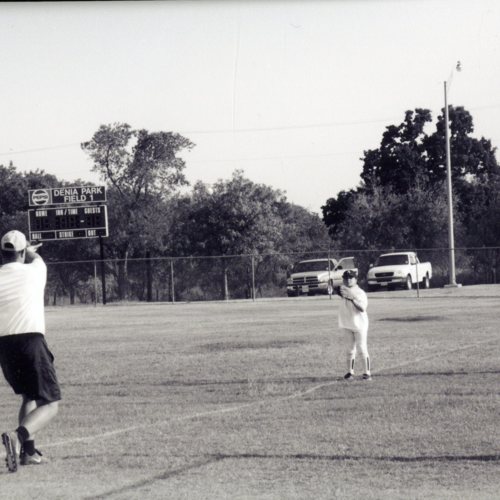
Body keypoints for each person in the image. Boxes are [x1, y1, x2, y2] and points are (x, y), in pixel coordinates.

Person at [0, 230, 61, 472]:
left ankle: (29, 453)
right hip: (31, 340)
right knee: (50, 403)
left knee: (28, 396)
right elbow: (36, 259)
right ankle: (17, 438)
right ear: (22, 252)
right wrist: (33, 250)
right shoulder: (35, 271)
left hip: (4, 345)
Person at [336, 269, 371, 381]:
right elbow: (337, 289)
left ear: (356, 279)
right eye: (346, 278)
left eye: (351, 278)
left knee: (362, 348)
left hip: (360, 324)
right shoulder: (343, 289)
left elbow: (362, 308)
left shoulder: (360, 293)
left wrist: (352, 298)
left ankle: (367, 373)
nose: (348, 280)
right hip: (347, 324)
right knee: (350, 350)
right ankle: (350, 372)